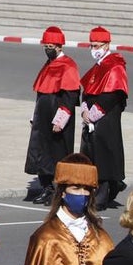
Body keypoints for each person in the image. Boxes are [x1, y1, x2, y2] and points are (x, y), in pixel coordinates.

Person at [25, 26, 80, 205]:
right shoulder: (48, 64)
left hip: (57, 118)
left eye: (50, 46)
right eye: (45, 46)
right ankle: (46, 188)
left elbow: (70, 96)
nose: (47, 49)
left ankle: (58, 191)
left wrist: (61, 119)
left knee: (57, 154)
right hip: (43, 116)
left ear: (59, 46)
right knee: (41, 153)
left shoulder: (68, 65)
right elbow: (42, 93)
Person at [80, 26, 129, 209]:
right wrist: (85, 109)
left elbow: (112, 95)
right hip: (91, 119)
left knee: (104, 156)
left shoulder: (115, 66)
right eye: (91, 46)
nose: (94, 50)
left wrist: (93, 114)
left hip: (106, 119)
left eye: (97, 46)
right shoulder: (97, 67)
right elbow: (87, 91)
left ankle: (102, 195)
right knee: (92, 155)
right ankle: (104, 188)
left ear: (107, 45)